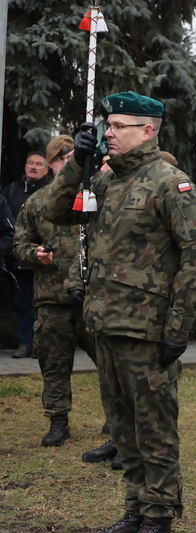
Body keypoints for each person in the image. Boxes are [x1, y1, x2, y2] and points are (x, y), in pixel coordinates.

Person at [42, 92, 196, 533]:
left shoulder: (170, 183)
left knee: (154, 428)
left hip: (148, 329)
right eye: (108, 126)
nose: (110, 133)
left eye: (119, 126)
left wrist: (179, 327)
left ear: (148, 130)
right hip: (106, 323)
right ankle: (135, 507)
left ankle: (159, 514)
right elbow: (57, 212)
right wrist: (77, 166)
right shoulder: (104, 182)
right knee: (122, 428)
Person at [13, 135, 101, 448]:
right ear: (51, 165)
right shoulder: (37, 203)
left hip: (93, 294)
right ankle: (58, 421)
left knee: (109, 359)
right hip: (51, 297)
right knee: (53, 363)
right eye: (61, 160)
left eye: (73, 159)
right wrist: (35, 253)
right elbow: (19, 245)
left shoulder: (94, 196)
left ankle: (117, 417)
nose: (68, 166)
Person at [2, 151, 51, 358]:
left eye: (39, 164)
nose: (33, 167)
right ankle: (25, 344)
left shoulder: (51, 192)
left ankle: (43, 345)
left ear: (46, 169)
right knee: (22, 304)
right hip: (18, 259)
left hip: (44, 259)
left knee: (44, 305)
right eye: (30, 162)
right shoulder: (11, 190)